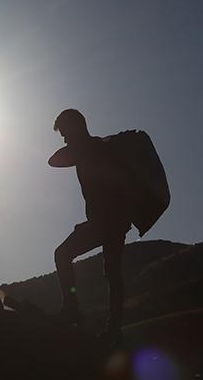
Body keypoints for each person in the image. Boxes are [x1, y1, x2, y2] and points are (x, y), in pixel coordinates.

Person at [48, 109, 133, 344]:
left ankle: (73, 309)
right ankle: (114, 329)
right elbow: (54, 161)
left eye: (65, 133)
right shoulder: (93, 149)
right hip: (111, 222)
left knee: (62, 254)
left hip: (108, 222)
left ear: (77, 127)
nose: (64, 139)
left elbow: (54, 160)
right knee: (113, 275)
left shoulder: (97, 149)